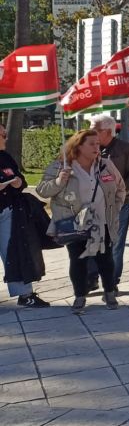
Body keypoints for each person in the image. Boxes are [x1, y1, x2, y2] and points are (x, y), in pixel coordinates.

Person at [37, 129, 126, 314]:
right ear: (78, 146)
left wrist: (114, 209)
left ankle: (109, 292)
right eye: (92, 144)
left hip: (102, 222)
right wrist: (59, 181)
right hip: (74, 222)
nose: (96, 147)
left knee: (105, 258)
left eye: (98, 144)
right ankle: (79, 296)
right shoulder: (61, 165)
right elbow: (42, 190)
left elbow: (120, 188)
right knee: (78, 260)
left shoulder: (105, 165)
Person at [0, 123, 49, 307]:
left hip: (7, 212)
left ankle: (25, 295)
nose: (6, 137)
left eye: (5, 133)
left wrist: (18, 182)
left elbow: (21, 180)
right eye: (2, 134)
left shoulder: (5, 157)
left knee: (15, 252)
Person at [89, 114, 129, 291]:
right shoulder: (89, 148)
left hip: (119, 204)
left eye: (94, 129)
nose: (90, 132)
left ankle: (111, 282)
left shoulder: (125, 149)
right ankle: (92, 278)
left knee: (115, 244)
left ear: (108, 131)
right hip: (93, 204)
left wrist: (119, 192)